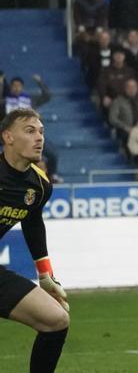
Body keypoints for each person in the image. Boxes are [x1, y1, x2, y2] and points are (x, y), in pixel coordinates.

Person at [0, 109, 70, 372]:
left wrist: (45, 276)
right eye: (29, 131)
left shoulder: (39, 186)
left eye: (41, 131)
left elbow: (32, 222)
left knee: (56, 319)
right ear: (8, 137)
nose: (39, 138)